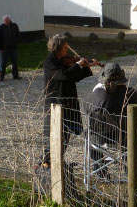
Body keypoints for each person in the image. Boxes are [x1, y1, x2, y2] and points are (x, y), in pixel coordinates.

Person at [40, 34, 100, 167]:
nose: (67, 50)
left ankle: (56, 161)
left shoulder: (64, 60)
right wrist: (78, 64)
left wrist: (87, 66)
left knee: (65, 136)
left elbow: (74, 77)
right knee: (56, 135)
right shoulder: (50, 62)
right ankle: (45, 162)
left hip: (68, 103)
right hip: (56, 103)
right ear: (58, 47)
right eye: (65, 47)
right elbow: (64, 75)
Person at [85, 63, 137, 172]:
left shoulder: (95, 94)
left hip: (98, 137)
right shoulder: (130, 93)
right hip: (124, 138)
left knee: (89, 136)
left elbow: (86, 109)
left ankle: (100, 170)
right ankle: (129, 170)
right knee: (132, 135)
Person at [0, 15, 21, 80]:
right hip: (5, 48)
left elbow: (18, 35)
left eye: (7, 21)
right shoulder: (2, 27)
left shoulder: (14, 25)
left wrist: (16, 42)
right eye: (5, 21)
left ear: (10, 20)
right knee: (3, 63)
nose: (6, 22)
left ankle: (15, 75)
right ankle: (1, 76)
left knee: (14, 62)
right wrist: (1, 47)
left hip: (13, 47)